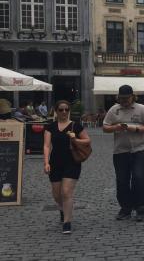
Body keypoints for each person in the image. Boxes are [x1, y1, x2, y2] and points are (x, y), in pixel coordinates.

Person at [103, 85, 144, 222]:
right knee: (122, 181)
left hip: (138, 150)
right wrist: (116, 127)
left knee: (138, 177)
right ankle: (125, 208)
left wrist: (137, 129)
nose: (124, 101)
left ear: (133, 96)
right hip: (120, 151)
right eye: (121, 98)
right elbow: (105, 127)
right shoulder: (114, 110)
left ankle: (140, 208)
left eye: (126, 98)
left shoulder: (141, 109)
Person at [43, 100, 91, 234]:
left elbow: (87, 140)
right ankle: (62, 209)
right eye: (61, 110)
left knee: (66, 192)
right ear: (56, 111)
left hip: (72, 162)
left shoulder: (75, 126)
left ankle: (67, 222)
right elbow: (47, 146)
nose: (64, 112)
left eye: (66, 109)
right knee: (57, 195)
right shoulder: (50, 127)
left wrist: (75, 139)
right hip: (55, 162)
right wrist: (46, 162)